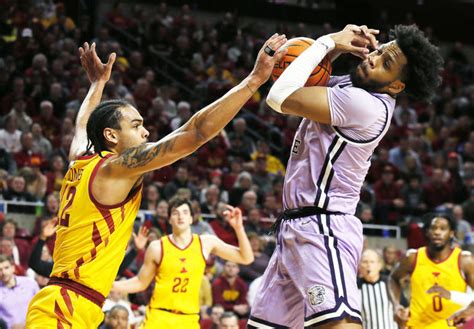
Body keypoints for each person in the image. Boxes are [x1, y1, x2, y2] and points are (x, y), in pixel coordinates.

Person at [27, 32, 286, 327]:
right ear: (111, 136)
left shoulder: (81, 160)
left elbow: (83, 125)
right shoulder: (115, 168)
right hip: (66, 307)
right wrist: (253, 81)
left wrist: (98, 84)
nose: (146, 132)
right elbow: (195, 133)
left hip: (73, 303)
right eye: (136, 126)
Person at [249, 24, 444, 329]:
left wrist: (327, 41)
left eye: (386, 63)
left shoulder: (367, 106)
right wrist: (341, 47)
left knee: (339, 325)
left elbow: (279, 98)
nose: (373, 58)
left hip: (324, 227)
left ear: (395, 86)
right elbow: (310, 76)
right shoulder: (351, 87)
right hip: (294, 228)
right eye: (379, 51)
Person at [112, 198, 253, 328]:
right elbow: (140, 282)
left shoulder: (206, 242)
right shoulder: (157, 247)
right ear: (169, 219)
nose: (180, 216)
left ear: (191, 218)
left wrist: (239, 228)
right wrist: (111, 286)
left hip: (188, 319)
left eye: (185, 212)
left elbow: (246, 258)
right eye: (175, 213)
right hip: (159, 316)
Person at [388, 214, 474, 328]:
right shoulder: (413, 257)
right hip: (416, 325)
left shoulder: (464, 260)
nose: (437, 232)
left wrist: (469, 310)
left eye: (443, 228)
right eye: (433, 228)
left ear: (451, 233)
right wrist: (396, 305)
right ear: (427, 232)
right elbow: (393, 278)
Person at [358, 249, 397, 329]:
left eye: (372, 262)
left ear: (379, 265)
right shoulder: (355, 287)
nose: (368, 265)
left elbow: (403, 306)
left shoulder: (390, 283)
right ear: (359, 266)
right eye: (365, 262)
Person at [0, 255, 39, 328]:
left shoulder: (30, 283)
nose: (3, 272)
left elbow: (41, 304)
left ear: (13, 268)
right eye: (0, 269)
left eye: (6, 268)